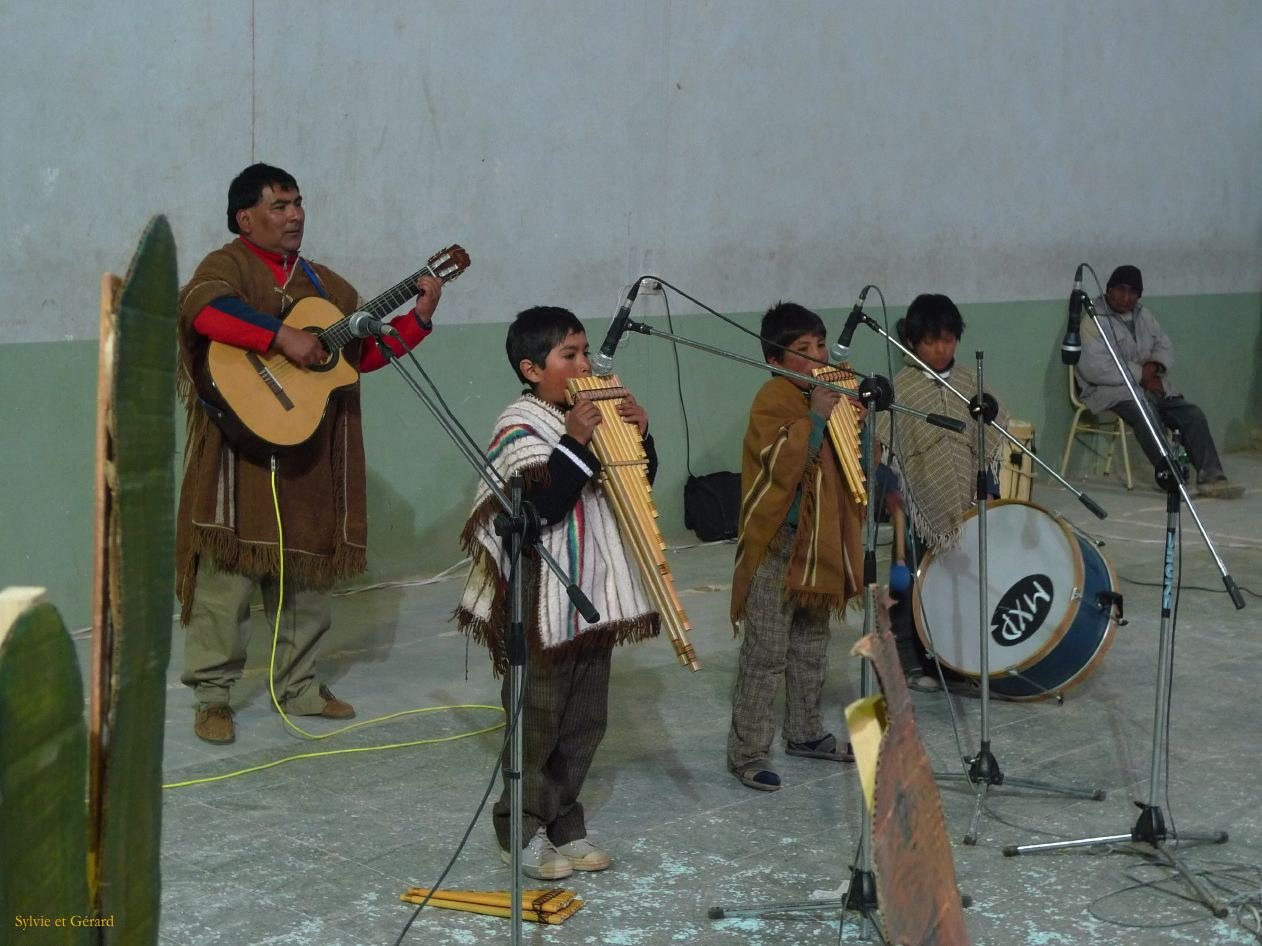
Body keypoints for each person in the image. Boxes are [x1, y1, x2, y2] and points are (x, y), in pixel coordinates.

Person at [175, 163, 443, 745]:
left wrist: (418, 318)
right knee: (229, 579)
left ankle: (299, 687)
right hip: (237, 455)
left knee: (306, 578)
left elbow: (360, 358)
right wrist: (280, 336)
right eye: (279, 205)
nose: (294, 214)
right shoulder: (226, 265)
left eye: (298, 203)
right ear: (246, 217)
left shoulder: (327, 286)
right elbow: (202, 310)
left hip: (308, 455)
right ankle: (213, 696)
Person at [455, 306, 659, 881]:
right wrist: (576, 441)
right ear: (530, 368)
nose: (584, 365)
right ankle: (517, 830)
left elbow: (637, 486)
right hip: (541, 595)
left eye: (585, 352)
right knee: (537, 717)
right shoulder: (519, 423)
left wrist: (639, 438)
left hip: (594, 588)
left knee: (586, 718)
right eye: (568, 356)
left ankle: (564, 822)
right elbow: (540, 508)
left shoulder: (587, 416)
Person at [727, 302, 864, 792]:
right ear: (777, 361)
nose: (816, 356)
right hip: (777, 543)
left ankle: (805, 731)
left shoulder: (834, 394)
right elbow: (777, 460)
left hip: (819, 541)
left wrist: (854, 417)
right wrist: (815, 418)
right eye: (801, 351)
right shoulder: (774, 396)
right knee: (766, 651)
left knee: (811, 644)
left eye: (820, 346)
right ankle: (748, 752)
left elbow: (850, 465)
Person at [875, 294, 1010, 692]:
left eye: (949, 340)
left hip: (966, 495)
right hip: (918, 500)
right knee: (913, 580)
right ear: (913, 341)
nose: (941, 349)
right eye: (931, 341)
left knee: (957, 582)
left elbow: (991, 429)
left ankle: (951, 659)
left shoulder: (970, 380)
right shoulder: (903, 386)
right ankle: (909, 661)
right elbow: (885, 439)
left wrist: (988, 480)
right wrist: (887, 483)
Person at [1076, 265, 1242, 498]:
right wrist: (1141, 375)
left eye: (1133, 292)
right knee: (1145, 412)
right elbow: (1095, 368)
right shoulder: (1093, 320)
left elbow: (1164, 347)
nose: (1126, 297)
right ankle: (1172, 475)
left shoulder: (1143, 316)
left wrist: (1152, 369)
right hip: (1109, 391)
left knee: (1192, 414)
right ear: (1109, 289)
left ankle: (1212, 476)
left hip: (1147, 385)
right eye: (1120, 290)